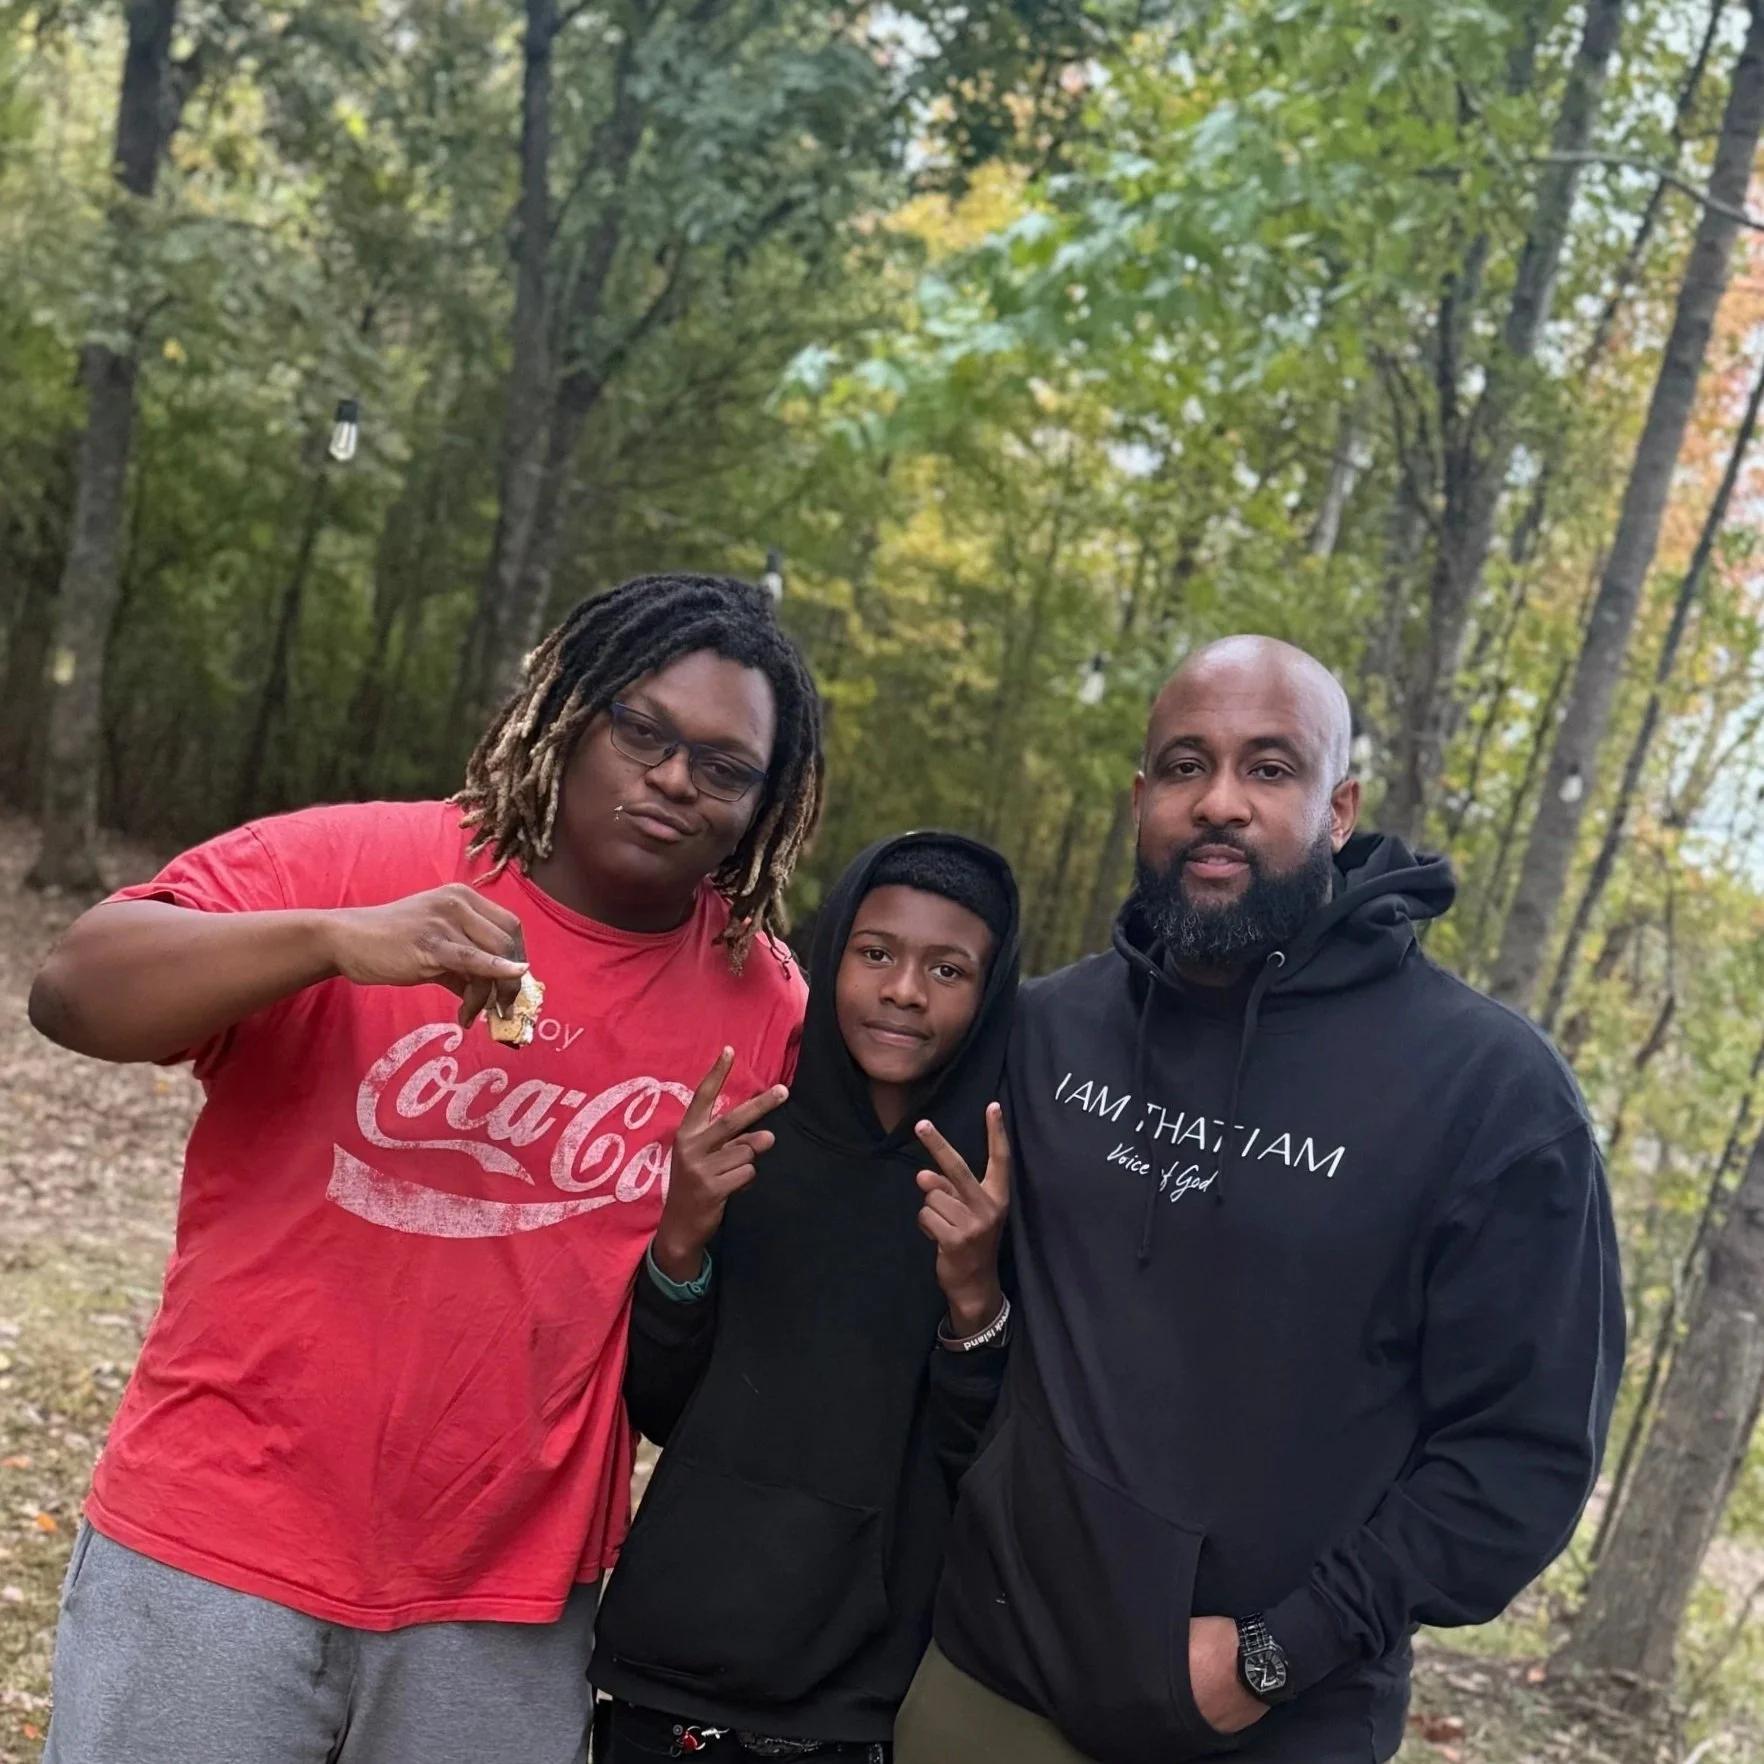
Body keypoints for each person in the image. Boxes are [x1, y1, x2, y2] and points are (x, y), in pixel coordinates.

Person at [27, 574, 824, 1764]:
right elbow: (73, 990)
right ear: (569, 712)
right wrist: (333, 940)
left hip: (507, 1602)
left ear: (764, 802)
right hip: (217, 1550)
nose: (672, 779)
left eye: (723, 766)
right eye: (642, 731)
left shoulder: (764, 1001)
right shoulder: (367, 858)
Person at [894, 635, 1624, 1764]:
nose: (1219, 802)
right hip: (990, 1684)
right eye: (1186, 766)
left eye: (1270, 769)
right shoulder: (1046, 1028)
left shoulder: (1491, 1096)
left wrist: (1277, 1653)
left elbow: (1520, 1457)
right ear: (1143, 799)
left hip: (1269, 1723)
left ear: (1340, 810)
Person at [589, 831, 1021, 1762]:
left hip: (854, 1693)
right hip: (672, 1663)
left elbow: (978, 1458)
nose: (904, 990)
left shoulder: (994, 1189)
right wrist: (681, 1241)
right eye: (876, 954)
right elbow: (661, 1405)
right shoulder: (752, 1144)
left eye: (948, 969)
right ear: (831, 961)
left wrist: (976, 1298)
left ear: (991, 995)